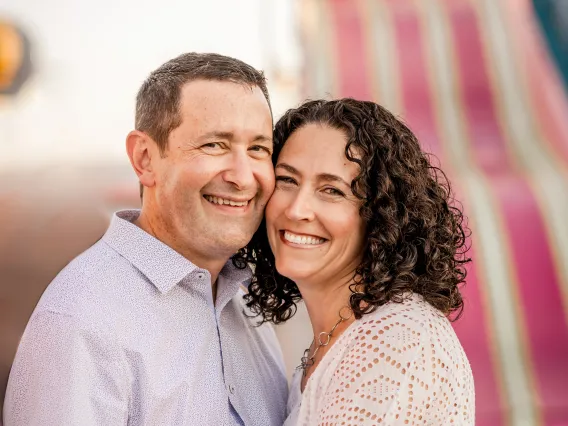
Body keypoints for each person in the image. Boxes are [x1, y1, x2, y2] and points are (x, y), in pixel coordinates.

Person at [3, 52, 288, 425]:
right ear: (145, 159)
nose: (242, 176)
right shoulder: (80, 320)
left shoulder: (245, 303)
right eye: (214, 145)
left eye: (257, 149)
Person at [241, 98, 475, 425]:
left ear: (381, 215)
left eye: (332, 191)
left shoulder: (397, 343)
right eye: (287, 180)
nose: (296, 210)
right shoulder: (337, 340)